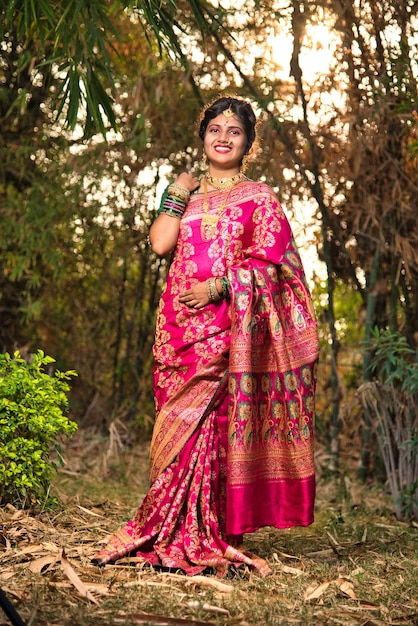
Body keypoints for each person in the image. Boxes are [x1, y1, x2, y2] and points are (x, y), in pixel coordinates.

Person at [92, 96, 320, 577]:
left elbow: (276, 268)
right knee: (175, 427)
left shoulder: (260, 198)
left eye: (233, 131)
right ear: (203, 137)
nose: (222, 137)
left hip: (227, 331)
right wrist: (176, 190)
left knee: (211, 430)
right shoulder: (188, 198)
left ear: (248, 143)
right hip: (176, 332)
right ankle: (169, 525)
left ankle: (206, 530)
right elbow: (160, 243)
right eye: (214, 128)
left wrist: (221, 285)